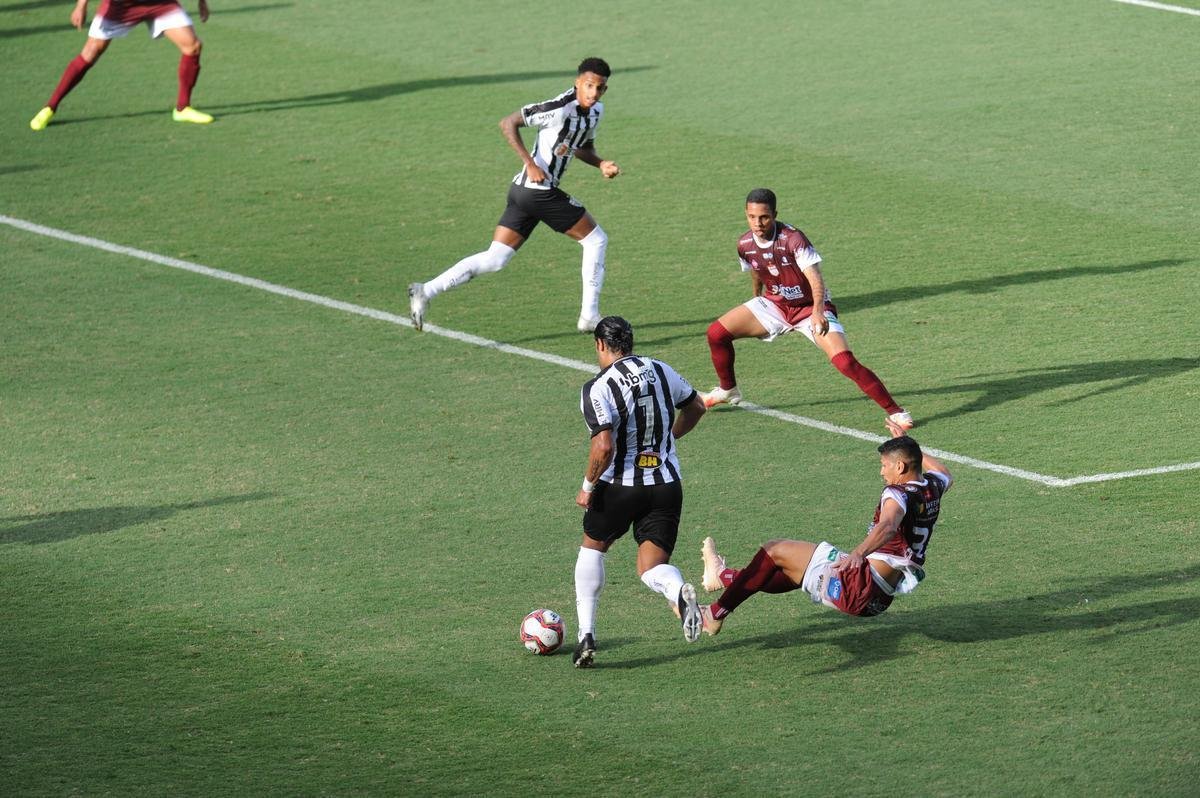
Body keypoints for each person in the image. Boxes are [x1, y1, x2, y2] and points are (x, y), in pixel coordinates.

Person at [408, 57, 621, 334]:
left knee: (495, 258)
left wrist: (600, 163)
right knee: (596, 240)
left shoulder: (595, 112)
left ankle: (425, 290)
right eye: (589, 85)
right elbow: (508, 123)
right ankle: (589, 316)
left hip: (524, 194)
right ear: (578, 82)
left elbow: (580, 146)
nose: (593, 93)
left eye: (600, 88)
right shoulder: (557, 108)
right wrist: (530, 164)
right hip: (538, 192)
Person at [700, 188, 914, 434]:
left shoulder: (793, 239)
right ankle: (728, 390)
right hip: (775, 305)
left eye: (764, 217)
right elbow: (756, 269)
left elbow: (815, 278)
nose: (757, 223)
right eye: (751, 217)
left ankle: (896, 411)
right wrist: (756, 298)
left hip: (809, 308)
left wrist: (818, 312)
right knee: (716, 333)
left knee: (844, 361)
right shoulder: (744, 243)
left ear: (775, 214)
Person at [697, 435, 952, 635]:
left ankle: (713, 615)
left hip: (859, 585)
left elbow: (887, 527)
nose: (881, 472)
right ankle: (721, 576)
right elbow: (945, 473)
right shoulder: (933, 486)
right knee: (790, 571)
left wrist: (857, 554)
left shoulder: (896, 494)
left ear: (900, 465)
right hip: (879, 596)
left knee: (774, 550)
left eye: (884, 465)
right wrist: (912, 448)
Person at [572, 316, 707, 667]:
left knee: (593, 548)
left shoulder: (597, 387)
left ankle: (586, 634)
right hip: (666, 485)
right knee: (651, 567)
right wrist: (669, 439)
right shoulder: (660, 368)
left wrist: (588, 487)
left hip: (620, 487)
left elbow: (603, 446)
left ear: (601, 345)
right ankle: (679, 593)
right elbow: (696, 406)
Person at [30, 0, 214, 132]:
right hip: (122, 5)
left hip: (160, 3)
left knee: (192, 46)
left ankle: (183, 108)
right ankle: (50, 107)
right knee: (91, 52)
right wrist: (81, 5)